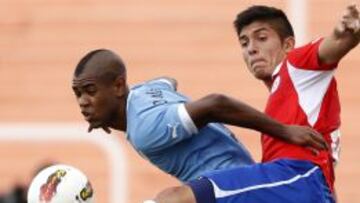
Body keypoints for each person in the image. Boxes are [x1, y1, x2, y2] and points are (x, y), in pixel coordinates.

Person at [145, 3, 360, 203]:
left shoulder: (296, 65)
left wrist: (345, 32)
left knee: (175, 197)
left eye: (262, 38)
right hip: (303, 188)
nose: (251, 49)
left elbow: (336, 43)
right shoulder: (289, 94)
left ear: (288, 45)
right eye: (244, 42)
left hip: (296, 178)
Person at [72, 49, 326, 183]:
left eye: (90, 91)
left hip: (229, 187)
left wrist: (285, 130)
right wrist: (112, 115)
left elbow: (216, 104)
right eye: (78, 94)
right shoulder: (142, 91)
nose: (83, 102)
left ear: (118, 86)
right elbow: (167, 82)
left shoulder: (145, 129)